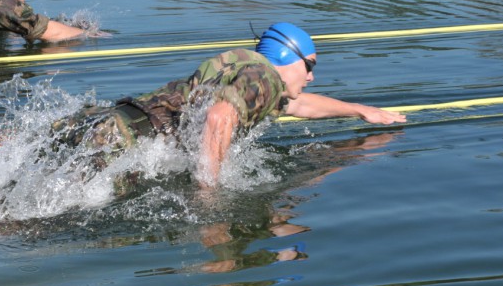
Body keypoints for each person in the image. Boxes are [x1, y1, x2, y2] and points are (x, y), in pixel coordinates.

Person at [26, 21, 406, 186]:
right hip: (120, 144)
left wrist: (361, 111)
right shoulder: (265, 79)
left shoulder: (246, 68)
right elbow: (219, 117)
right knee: (27, 221)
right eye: (310, 67)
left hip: (108, 121)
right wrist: (209, 192)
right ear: (288, 57)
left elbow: (299, 106)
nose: (310, 77)